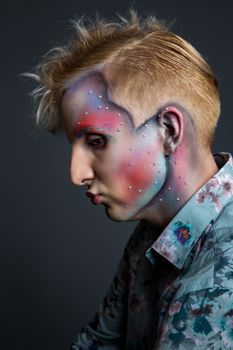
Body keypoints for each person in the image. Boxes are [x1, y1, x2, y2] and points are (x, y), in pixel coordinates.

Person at [28, 10, 233, 349]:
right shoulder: (155, 234)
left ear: (168, 131)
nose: (76, 174)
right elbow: (97, 342)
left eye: (97, 141)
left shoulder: (220, 284)